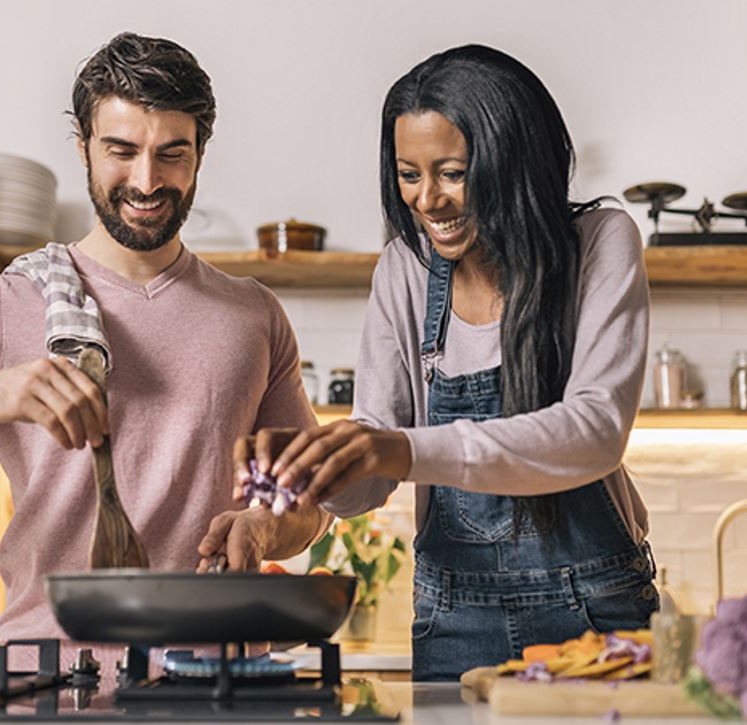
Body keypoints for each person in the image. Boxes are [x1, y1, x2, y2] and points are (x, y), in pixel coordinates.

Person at [0, 32, 328, 666]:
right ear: (84, 148)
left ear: (200, 154)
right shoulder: (4, 303)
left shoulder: (253, 314)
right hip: (44, 677)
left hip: (214, 682)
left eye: (172, 154)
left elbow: (313, 500)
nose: (146, 180)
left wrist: (267, 524)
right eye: (121, 150)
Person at [237, 44, 657, 681]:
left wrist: (396, 449)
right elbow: (369, 479)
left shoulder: (599, 242)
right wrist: (314, 470)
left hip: (599, 609)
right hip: (455, 617)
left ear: (513, 161)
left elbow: (595, 431)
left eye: (453, 172)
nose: (428, 200)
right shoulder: (404, 271)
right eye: (409, 174)